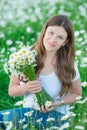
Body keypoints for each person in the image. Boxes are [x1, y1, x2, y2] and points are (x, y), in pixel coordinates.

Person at [0, 15, 82, 129]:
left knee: (4, 119)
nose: (53, 40)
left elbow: (77, 94)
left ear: (65, 42)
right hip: (27, 115)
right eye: (51, 33)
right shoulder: (24, 56)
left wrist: (58, 102)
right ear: (44, 31)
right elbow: (12, 90)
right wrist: (26, 87)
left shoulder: (69, 64)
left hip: (57, 119)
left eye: (60, 37)